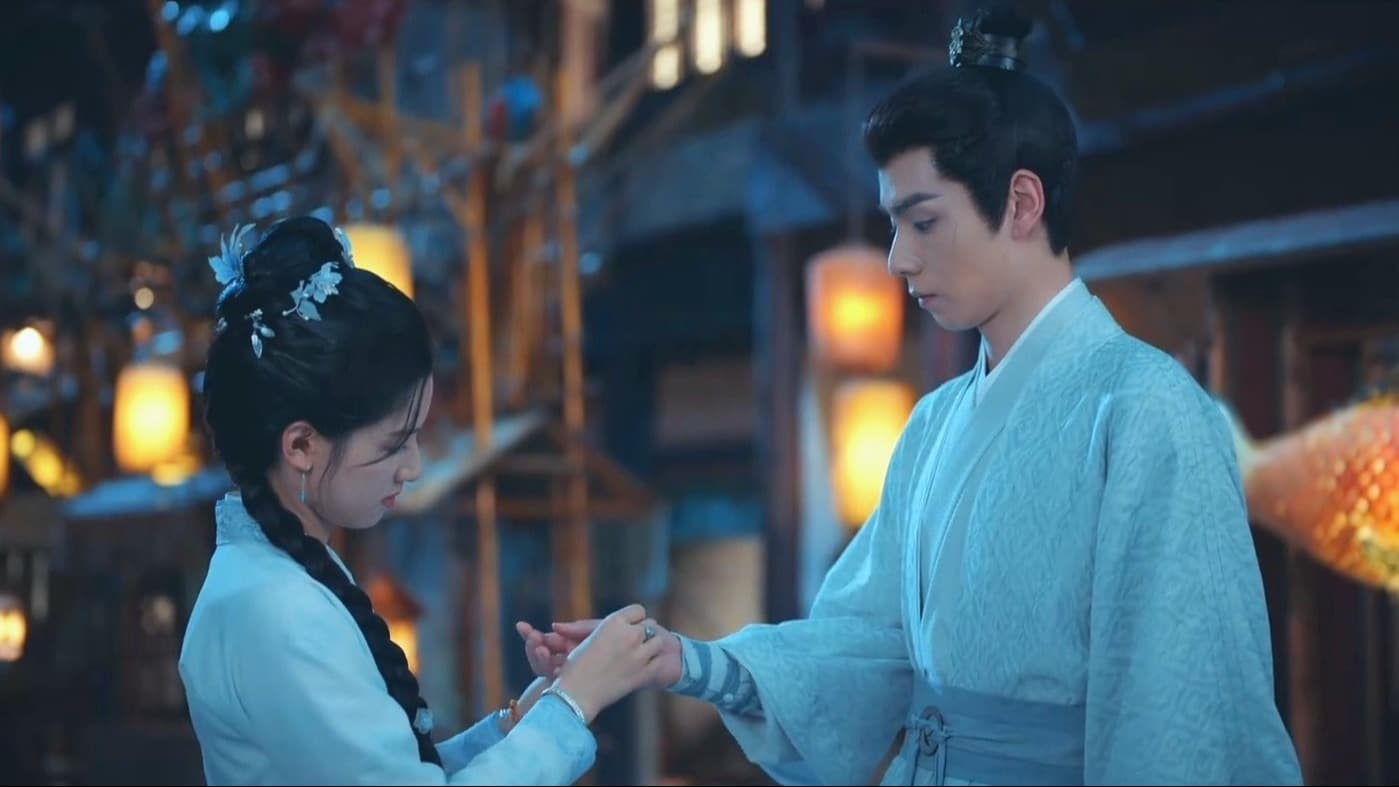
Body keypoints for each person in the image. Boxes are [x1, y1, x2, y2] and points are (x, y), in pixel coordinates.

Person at [526, 7, 1304, 785]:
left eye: (923, 221)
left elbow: (1177, 708)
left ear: (1022, 203)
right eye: (895, 225)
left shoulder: (1145, 408)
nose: (898, 257)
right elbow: (864, 642)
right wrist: (681, 660)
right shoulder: (934, 422)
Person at [179, 216, 671, 785]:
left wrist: (522, 720)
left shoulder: (276, 583)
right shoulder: (277, 608)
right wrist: (573, 704)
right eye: (394, 444)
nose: (412, 467)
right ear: (301, 446)